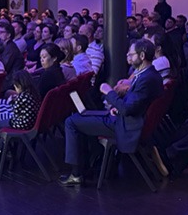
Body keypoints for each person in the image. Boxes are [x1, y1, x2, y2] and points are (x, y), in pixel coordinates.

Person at [59, 39, 163, 186]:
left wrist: (109, 92)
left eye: (131, 53)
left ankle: (76, 174)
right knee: (82, 116)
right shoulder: (148, 74)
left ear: (142, 56)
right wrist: (118, 106)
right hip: (125, 119)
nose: (127, 55)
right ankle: (90, 165)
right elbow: (133, 104)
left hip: (127, 126)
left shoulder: (146, 78)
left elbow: (127, 109)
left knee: (71, 122)